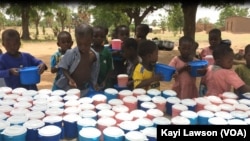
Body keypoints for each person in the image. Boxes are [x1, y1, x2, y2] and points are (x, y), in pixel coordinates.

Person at [56, 23, 100, 97]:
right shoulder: (71, 53)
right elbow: (63, 67)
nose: (83, 47)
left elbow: (94, 71)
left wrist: (94, 83)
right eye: (79, 44)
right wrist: (70, 79)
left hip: (85, 88)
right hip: (70, 88)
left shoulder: (94, 55)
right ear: (76, 40)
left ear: (91, 40)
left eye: (86, 44)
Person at [92, 26, 113, 90]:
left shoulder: (107, 52)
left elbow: (110, 69)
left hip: (105, 84)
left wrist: (105, 81)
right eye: (95, 36)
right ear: (91, 37)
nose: (99, 38)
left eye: (101, 37)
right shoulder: (88, 51)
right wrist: (93, 82)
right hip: (91, 84)